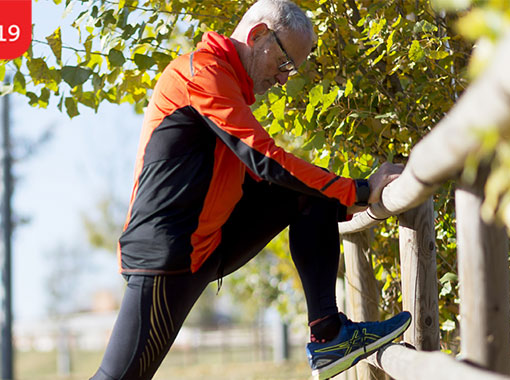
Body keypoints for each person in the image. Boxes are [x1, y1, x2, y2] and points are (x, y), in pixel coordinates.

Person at [91, 1, 411, 379]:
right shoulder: (202, 74)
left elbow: (261, 179)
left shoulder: (225, 82)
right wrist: (359, 190)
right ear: (258, 35)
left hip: (209, 241)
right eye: (285, 63)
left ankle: (330, 336)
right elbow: (267, 161)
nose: (283, 79)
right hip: (168, 255)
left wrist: (341, 201)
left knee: (311, 192)